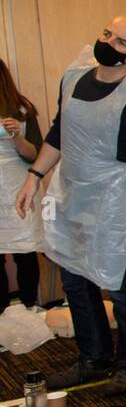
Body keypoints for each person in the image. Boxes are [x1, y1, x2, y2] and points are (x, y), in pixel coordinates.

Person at [15, 18, 126, 395]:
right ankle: (93, 357)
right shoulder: (73, 77)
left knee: (120, 282)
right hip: (72, 190)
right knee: (74, 278)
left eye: (121, 41)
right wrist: (34, 176)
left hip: (116, 196)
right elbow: (58, 133)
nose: (109, 43)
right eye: (107, 34)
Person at [0, 58, 43, 307]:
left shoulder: (22, 109)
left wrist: (17, 135)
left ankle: (30, 307)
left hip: (19, 187)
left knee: (25, 251)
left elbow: (34, 154)